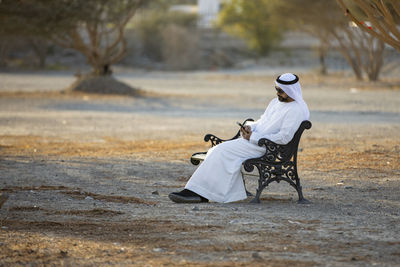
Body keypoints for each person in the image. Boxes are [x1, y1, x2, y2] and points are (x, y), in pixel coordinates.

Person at [169, 73, 310, 203]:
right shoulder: (275, 102)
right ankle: (201, 192)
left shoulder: (295, 110)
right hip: (254, 142)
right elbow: (262, 121)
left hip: (267, 149)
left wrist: (254, 137)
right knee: (215, 150)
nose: (277, 93)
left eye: (281, 91)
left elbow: (284, 138)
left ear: (291, 91)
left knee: (220, 151)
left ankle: (198, 194)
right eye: (276, 89)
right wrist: (250, 128)